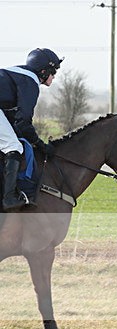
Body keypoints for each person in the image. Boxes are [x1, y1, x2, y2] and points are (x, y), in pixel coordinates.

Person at [0, 48, 62, 209]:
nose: (54, 76)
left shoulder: (18, 74)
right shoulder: (30, 81)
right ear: (43, 71)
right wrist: (40, 145)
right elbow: (23, 121)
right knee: (13, 147)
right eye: (53, 72)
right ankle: (9, 199)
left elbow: (16, 120)